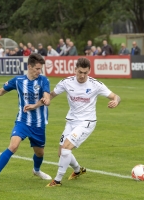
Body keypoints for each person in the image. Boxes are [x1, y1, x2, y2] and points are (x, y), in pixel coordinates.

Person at [0, 53, 52, 186]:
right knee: (13, 145)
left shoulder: (43, 80)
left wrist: (41, 102)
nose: (39, 72)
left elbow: (47, 98)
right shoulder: (18, 81)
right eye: (37, 69)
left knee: (39, 153)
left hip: (39, 124)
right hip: (22, 121)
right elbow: (0, 91)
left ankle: (37, 170)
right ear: (29, 66)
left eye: (40, 69)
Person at [45, 57, 121, 187]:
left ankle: (57, 180)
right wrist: (47, 99)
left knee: (66, 150)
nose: (82, 75)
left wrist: (116, 101)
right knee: (61, 153)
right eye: (80, 72)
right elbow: (51, 94)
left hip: (87, 122)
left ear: (89, 71)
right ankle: (78, 170)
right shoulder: (66, 82)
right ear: (75, 70)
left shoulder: (95, 84)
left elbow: (115, 95)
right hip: (71, 121)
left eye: (85, 73)